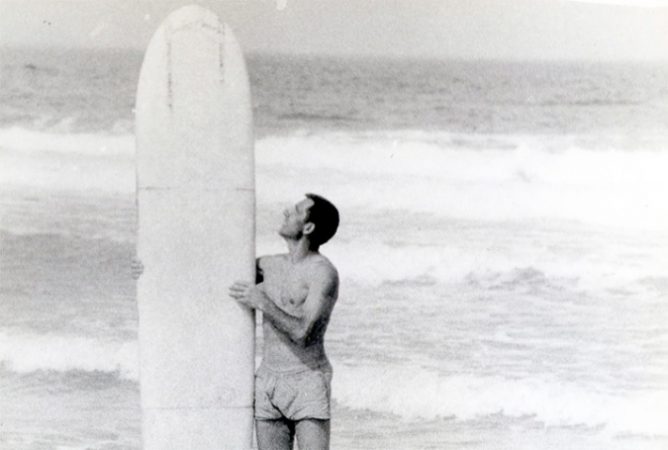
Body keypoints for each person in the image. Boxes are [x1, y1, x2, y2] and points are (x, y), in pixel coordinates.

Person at [229, 193, 340, 450]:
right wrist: (147, 269)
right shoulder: (268, 265)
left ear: (308, 227)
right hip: (268, 380)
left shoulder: (322, 273)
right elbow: (216, 274)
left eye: (297, 211)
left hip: (306, 378)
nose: (286, 212)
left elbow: (304, 333)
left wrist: (263, 302)